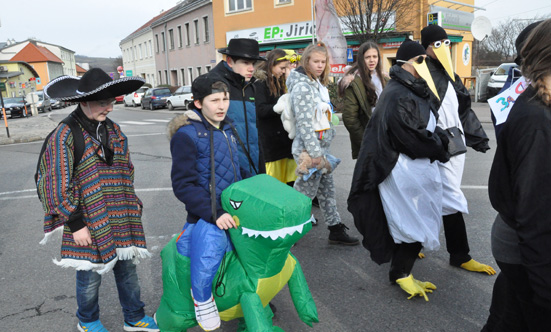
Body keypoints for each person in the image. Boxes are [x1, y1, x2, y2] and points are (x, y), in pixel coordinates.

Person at [36, 68, 159, 332]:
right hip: (86, 220)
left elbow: (126, 169)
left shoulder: (112, 129)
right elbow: (53, 184)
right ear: (84, 101)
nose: (110, 108)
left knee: (127, 271)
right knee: (89, 275)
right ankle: (88, 321)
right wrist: (76, 223)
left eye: (111, 101)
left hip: (121, 216)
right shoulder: (65, 134)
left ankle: (134, 317)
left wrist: (133, 203)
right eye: (103, 102)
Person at [348, 40, 451, 301]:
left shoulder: (411, 88)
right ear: (404, 64)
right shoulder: (397, 92)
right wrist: (440, 143)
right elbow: (409, 135)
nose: (423, 65)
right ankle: (402, 273)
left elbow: (423, 125)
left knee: (418, 218)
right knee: (412, 222)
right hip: (401, 167)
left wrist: (439, 136)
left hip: (415, 166)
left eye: (424, 60)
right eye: (418, 61)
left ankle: (401, 271)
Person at [167, 74, 251, 331]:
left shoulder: (228, 128)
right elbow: (183, 185)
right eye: (214, 100)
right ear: (197, 103)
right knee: (208, 256)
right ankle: (201, 298)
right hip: (207, 214)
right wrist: (213, 213)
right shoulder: (188, 135)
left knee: (241, 257)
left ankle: (242, 298)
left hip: (233, 208)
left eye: (225, 99)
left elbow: (239, 168)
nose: (222, 105)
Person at [482, 19, 551, 331]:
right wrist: (545, 288)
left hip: (523, 242)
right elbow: (534, 210)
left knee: (507, 316)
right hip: (527, 248)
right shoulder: (535, 117)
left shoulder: (538, 105)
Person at [420, 24, 495, 275]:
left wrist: (477, 136)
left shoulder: (450, 74)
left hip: (456, 143)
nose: (443, 49)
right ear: (427, 48)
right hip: (436, 144)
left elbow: (463, 109)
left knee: (436, 194)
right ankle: (460, 254)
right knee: (449, 196)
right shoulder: (422, 72)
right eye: (436, 45)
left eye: (446, 43)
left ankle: (411, 242)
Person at [287, 42, 359, 245]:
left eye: (323, 61)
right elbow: (304, 124)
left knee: (327, 190)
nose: (320, 65)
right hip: (309, 151)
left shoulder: (316, 83)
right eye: (315, 61)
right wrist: (314, 153)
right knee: (303, 194)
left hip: (320, 149)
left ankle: (335, 228)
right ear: (306, 61)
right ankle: (287, 231)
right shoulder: (302, 86)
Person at [209, 38, 266, 174]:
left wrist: (261, 169)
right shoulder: (214, 84)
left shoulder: (250, 86)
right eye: (245, 63)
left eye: (253, 63)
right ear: (229, 61)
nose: (251, 68)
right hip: (227, 168)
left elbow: (255, 131)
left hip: (253, 166)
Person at [254, 49, 296, 186]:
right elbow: (260, 110)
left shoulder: (281, 81)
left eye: (286, 68)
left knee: (289, 178)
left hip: (284, 140)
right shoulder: (260, 83)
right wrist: (277, 108)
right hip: (270, 141)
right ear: (271, 64)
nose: (284, 71)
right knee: (274, 182)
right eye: (282, 68)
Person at [338, 41, 386, 159]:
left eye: (374, 56)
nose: (372, 60)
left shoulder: (384, 79)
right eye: (367, 57)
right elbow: (350, 118)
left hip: (385, 137)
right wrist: (366, 142)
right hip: (369, 138)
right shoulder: (354, 82)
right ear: (361, 58)